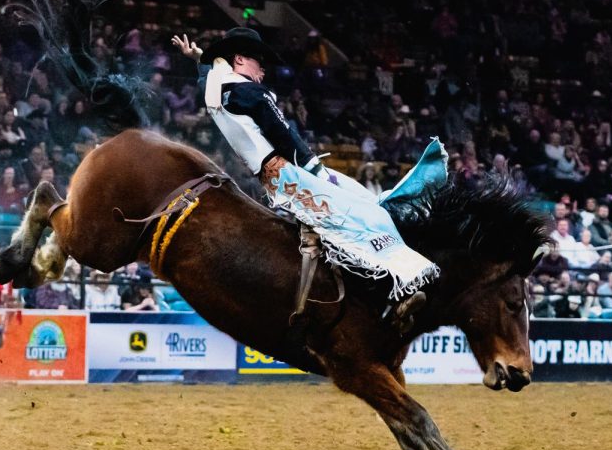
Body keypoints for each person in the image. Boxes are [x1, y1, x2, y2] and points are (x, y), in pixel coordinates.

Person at [173, 29, 436, 329]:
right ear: (240, 59)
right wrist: (317, 171)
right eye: (258, 61)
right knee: (358, 217)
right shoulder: (252, 93)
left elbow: (207, 78)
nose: (263, 69)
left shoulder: (217, 90)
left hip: (271, 179)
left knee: (356, 207)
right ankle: (394, 291)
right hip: (290, 174)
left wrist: (200, 60)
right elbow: (284, 133)